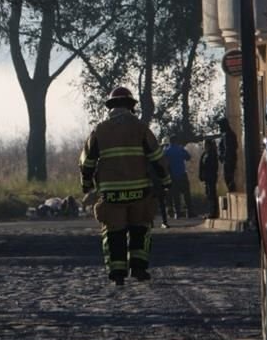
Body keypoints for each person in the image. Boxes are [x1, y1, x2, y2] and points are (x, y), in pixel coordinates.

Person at [79, 87, 172, 286]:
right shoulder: (141, 128)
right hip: (140, 193)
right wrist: (165, 181)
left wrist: (86, 185)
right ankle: (139, 268)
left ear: (110, 107)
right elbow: (157, 158)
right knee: (140, 229)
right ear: (131, 106)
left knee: (114, 232)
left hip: (112, 195)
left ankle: (117, 272)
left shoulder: (100, 130)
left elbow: (87, 162)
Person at [163, 133, 193, 219]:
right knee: (186, 194)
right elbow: (188, 157)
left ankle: (177, 213)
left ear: (170, 141)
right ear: (176, 141)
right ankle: (189, 212)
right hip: (182, 174)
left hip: (172, 176)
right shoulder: (180, 149)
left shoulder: (166, 151)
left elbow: (164, 162)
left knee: (175, 195)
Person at [198, 137, 220, 219]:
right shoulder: (204, 154)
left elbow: (214, 166)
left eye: (205, 144)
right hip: (206, 177)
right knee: (208, 194)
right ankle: (210, 211)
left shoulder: (212, 154)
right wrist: (201, 175)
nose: (204, 146)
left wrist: (210, 174)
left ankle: (213, 212)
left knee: (212, 193)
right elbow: (201, 165)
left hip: (211, 177)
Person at [218, 117, 238, 192]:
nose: (219, 128)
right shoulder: (228, 134)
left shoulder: (228, 135)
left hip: (229, 161)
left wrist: (224, 157)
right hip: (229, 160)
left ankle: (232, 191)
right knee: (229, 178)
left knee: (229, 178)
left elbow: (229, 149)